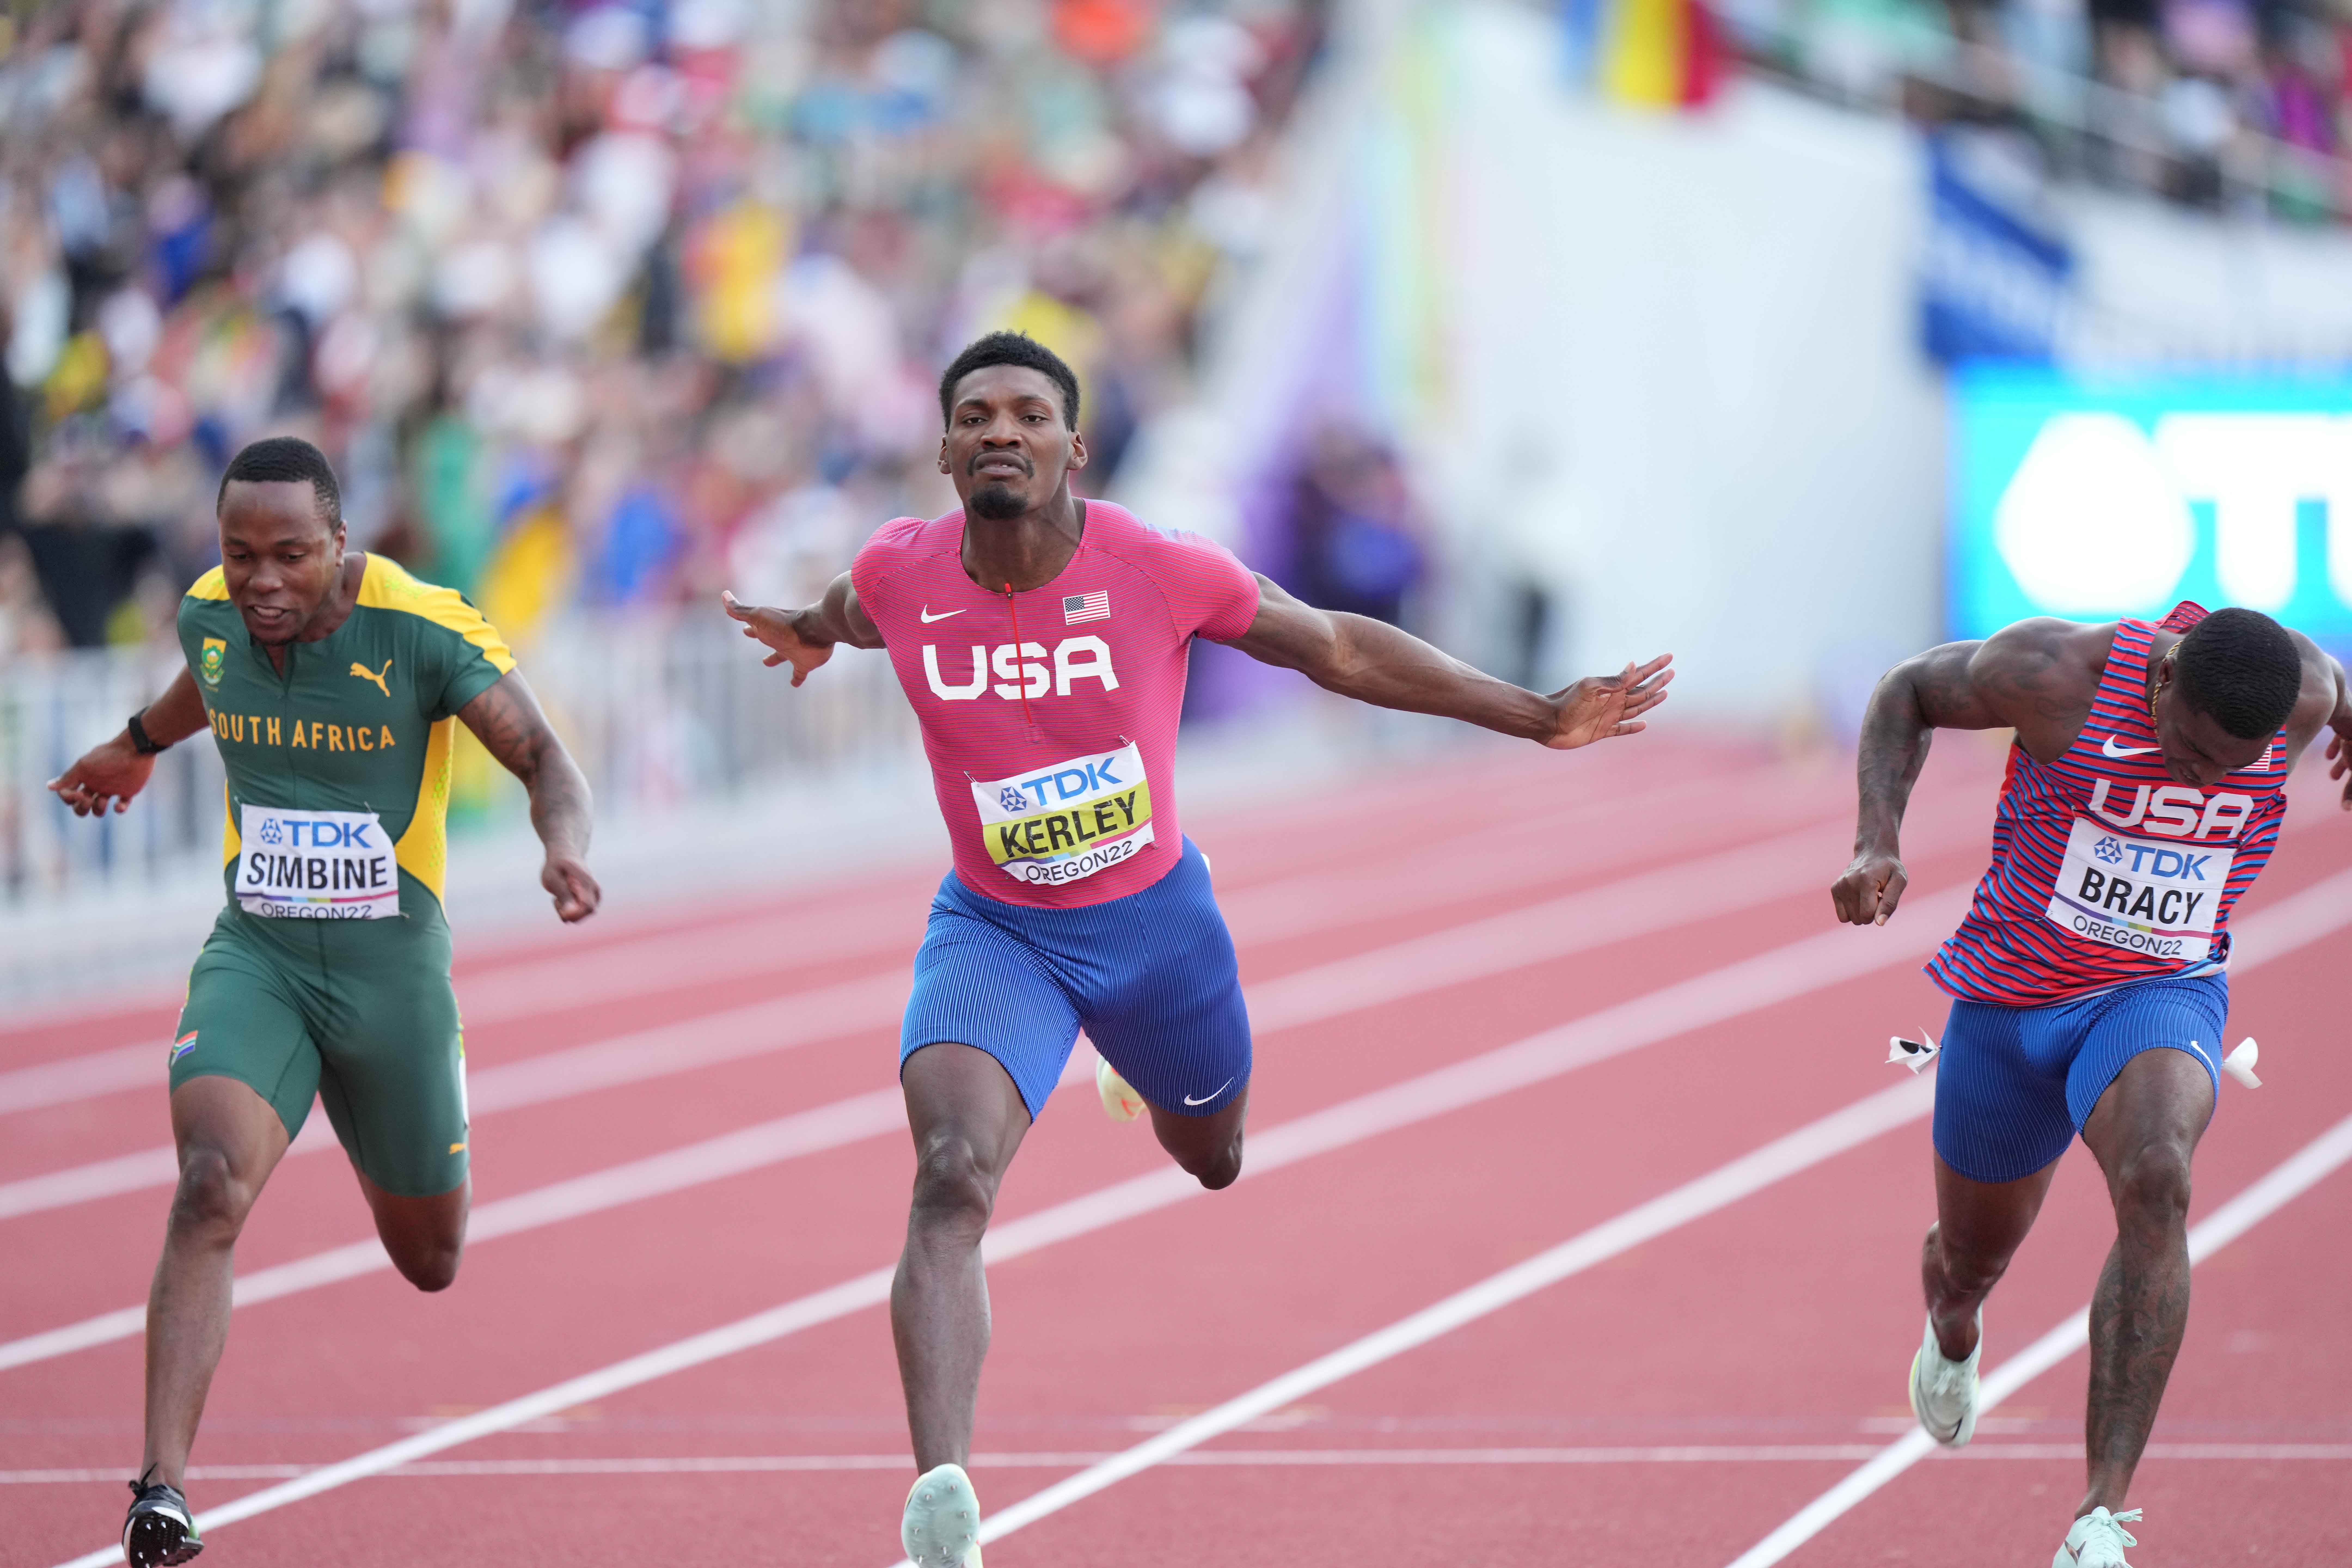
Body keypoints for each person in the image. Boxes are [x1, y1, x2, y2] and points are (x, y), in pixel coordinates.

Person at [722, 331, 1673, 1567]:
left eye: (1028, 414)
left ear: (1074, 447)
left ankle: (1135, 1062)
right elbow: (854, 610)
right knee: (951, 1174)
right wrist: (809, 628)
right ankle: (943, 1506)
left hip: (1155, 928)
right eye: (976, 415)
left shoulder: (1156, 568)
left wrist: (1535, 714)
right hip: (997, 929)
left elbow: (1335, 644)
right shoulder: (900, 571)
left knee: (1213, 1159)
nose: (1001, 430)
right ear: (945, 450)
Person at [48, 436, 601, 1567]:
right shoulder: (212, 616)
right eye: (239, 553)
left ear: (340, 546)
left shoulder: (421, 627)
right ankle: (161, 1491)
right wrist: (134, 745)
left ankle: (427, 1086)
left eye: (290, 556)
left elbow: (545, 755)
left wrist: (563, 848)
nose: (261, 581)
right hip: (260, 957)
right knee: (209, 1184)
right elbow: (205, 681)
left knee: (432, 1259)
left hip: (391, 975)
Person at [1831, 601, 2352, 1568]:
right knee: (1969, 1262)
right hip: (2011, 1001)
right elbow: (1907, 690)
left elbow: (2336, 689)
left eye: (2230, 770)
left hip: (2162, 990)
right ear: (2165, 678)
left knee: (2160, 1177)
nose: (2201, 782)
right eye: (2190, 753)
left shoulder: (2307, 691)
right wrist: (1877, 841)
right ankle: (1954, 1327)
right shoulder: (2055, 673)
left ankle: (2099, 1516)